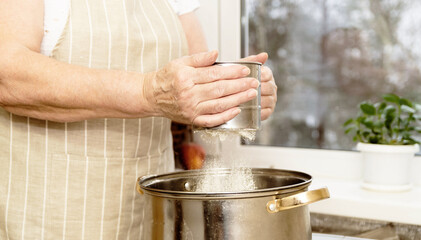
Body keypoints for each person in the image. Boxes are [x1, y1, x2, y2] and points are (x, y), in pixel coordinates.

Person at [0, 0, 277, 239]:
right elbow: (8, 76)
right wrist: (148, 92)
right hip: (51, 218)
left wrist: (237, 93)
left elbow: (195, 78)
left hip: (151, 215)